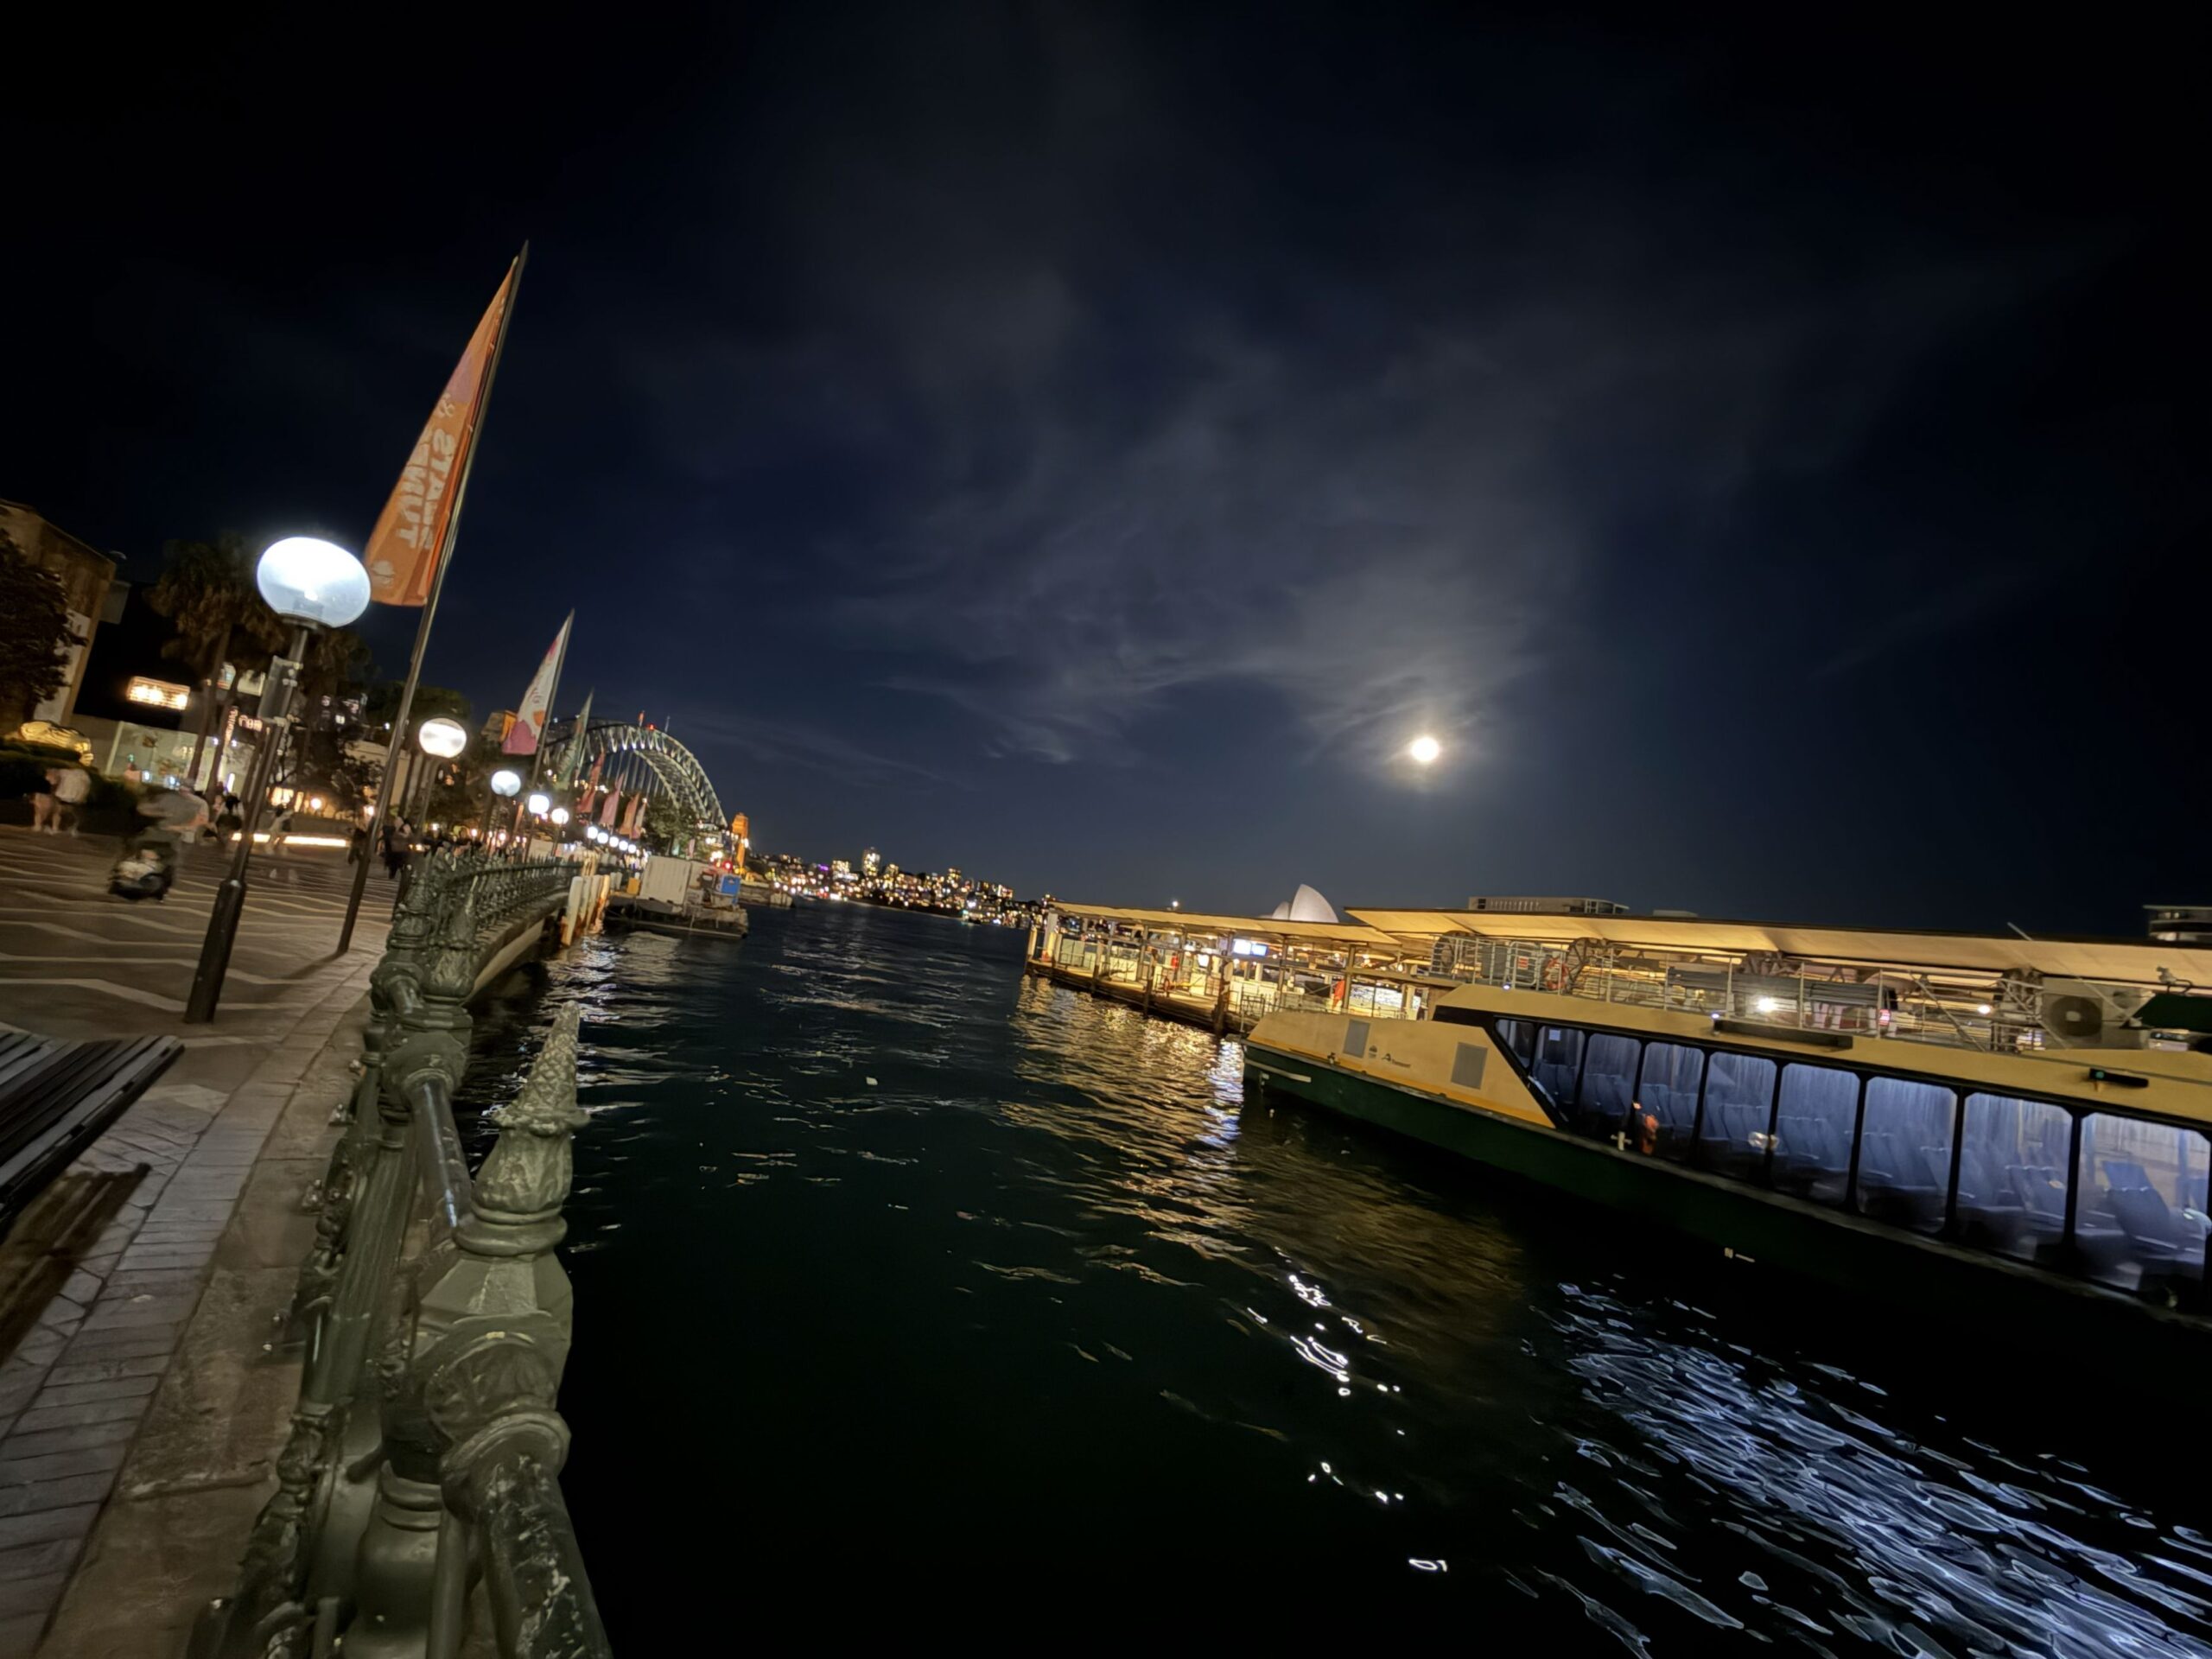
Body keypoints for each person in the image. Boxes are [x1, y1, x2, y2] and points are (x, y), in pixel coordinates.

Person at [50, 763, 92, 835]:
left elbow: (54, 781)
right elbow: (86, 786)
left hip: (68, 796)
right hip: (70, 796)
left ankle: (58, 828)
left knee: (61, 812)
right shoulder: (65, 772)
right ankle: (60, 828)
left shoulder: (65, 772)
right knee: (61, 812)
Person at [29, 766, 59, 833]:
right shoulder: (54, 776)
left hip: (45, 796)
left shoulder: (51, 776)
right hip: (47, 796)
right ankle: (53, 827)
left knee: (40, 812)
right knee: (53, 812)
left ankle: (38, 826)